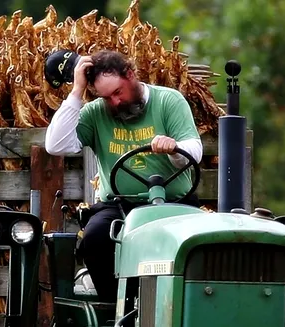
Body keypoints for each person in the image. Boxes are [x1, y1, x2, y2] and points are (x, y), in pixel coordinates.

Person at [44, 50, 203, 301]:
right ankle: (115, 309)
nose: (115, 102)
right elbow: (56, 145)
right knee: (95, 237)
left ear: (131, 75)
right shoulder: (97, 112)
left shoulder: (168, 101)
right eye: (106, 97)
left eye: (118, 92)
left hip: (174, 205)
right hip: (120, 207)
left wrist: (174, 148)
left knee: (198, 245)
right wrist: (76, 91)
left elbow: (194, 150)